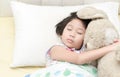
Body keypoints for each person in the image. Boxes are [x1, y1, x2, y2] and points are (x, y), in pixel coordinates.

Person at [26, 12, 120, 77]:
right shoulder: (56, 48)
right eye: (69, 29)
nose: (72, 34)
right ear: (61, 32)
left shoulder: (89, 53)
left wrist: (112, 45)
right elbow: (78, 59)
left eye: (79, 32)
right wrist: (111, 48)